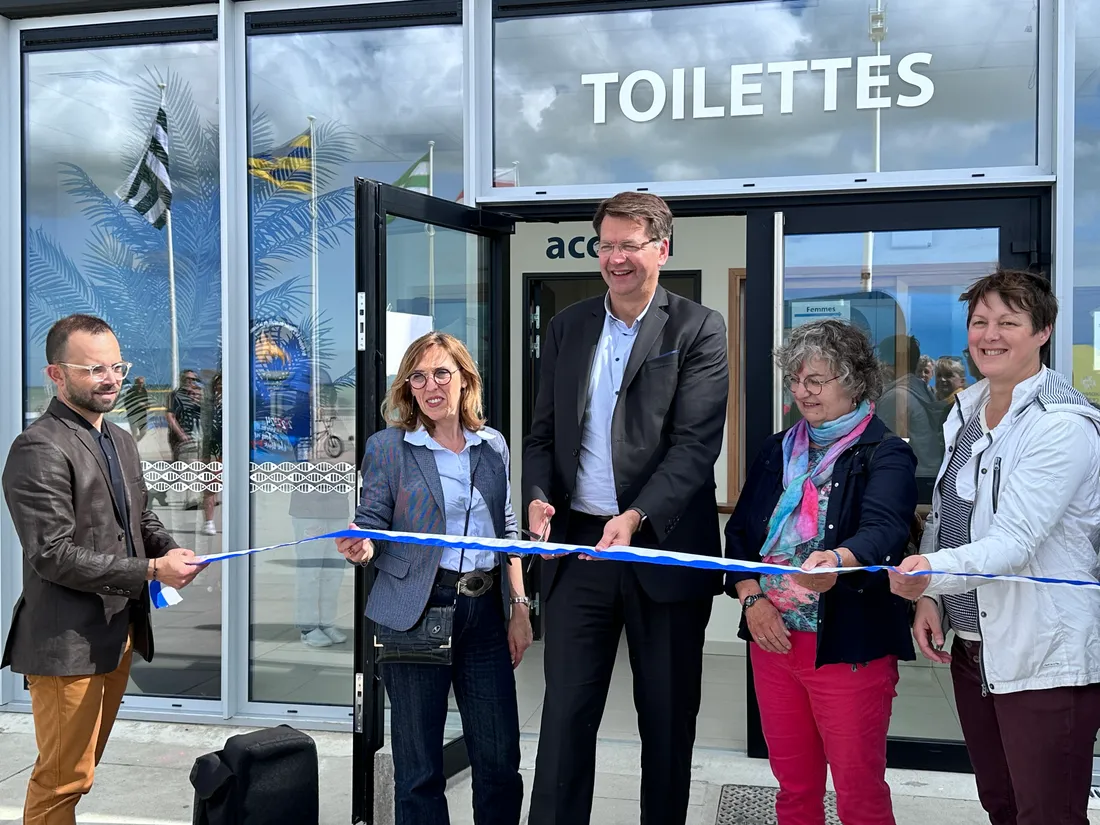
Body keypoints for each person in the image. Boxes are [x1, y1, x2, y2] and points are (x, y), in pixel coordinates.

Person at [523, 192, 729, 825]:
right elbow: (541, 434)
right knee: (563, 720)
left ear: (661, 249)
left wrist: (636, 514)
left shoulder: (698, 327)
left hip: (660, 548)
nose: (614, 258)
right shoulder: (570, 326)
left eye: (628, 245)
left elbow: (696, 448)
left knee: (667, 725)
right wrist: (534, 497)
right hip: (579, 548)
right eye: (606, 244)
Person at [890, 269, 1100, 825]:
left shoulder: (1063, 424)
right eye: (980, 321)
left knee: (1047, 815)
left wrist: (928, 572)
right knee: (1001, 806)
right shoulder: (968, 410)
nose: (990, 334)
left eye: (1009, 322)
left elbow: (1015, 541)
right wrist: (931, 600)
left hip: (1043, 657)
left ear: (1043, 332)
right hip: (975, 649)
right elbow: (949, 515)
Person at [1, 314, 203, 825]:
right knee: (62, 781)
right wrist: (152, 569)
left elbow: (141, 516)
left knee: (80, 774)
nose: (111, 378)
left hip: (118, 635)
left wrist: (173, 551)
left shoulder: (119, 437)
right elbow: (53, 553)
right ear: (56, 374)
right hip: (67, 644)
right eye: (94, 369)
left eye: (117, 366)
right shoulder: (39, 447)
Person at [335, 331, 531, 825]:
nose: (430, 385)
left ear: (465, 379)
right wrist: (362, 545)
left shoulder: (492, 446)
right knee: (418, 768)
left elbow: (506, 529)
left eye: (441, 373)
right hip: (415, 612)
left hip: (483, 614)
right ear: (408, 389)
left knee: (499, 760)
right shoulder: (389, 447)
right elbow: (373, 521)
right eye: (417, 377)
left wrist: (521, 608)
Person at [726, 319, 916, 825]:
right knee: (793, 789)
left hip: (846, 648)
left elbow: (884, 530)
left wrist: (837, 560)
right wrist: (752, 599)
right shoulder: (776, 450)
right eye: (795, 379)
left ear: (853, 381)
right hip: (773, 640)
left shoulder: (885, 452)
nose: (801, 392)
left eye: (816, 380)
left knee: (859, 794)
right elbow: (740, 539)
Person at [200, 372, 222, 536]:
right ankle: (208, 521)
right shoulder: (209, 404)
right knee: (210, 485)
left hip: (233, 447)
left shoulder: (238, 401)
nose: (221, 388)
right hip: (212, 446)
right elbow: (204, 425)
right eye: (218, 385)